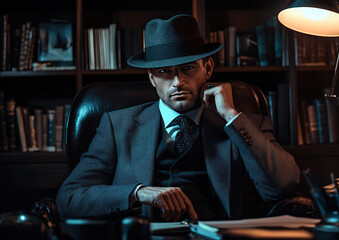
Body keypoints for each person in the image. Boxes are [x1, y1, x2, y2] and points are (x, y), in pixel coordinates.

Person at [56, 14, 300, 222]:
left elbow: (283, 186)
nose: (177, 82)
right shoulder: (117, 125)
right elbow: (68, 199)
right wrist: (138, 193)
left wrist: (230, 116)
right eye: (165, 72)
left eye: (188, 68)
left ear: (208, 68)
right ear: (151, 77)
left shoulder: (243, 122)